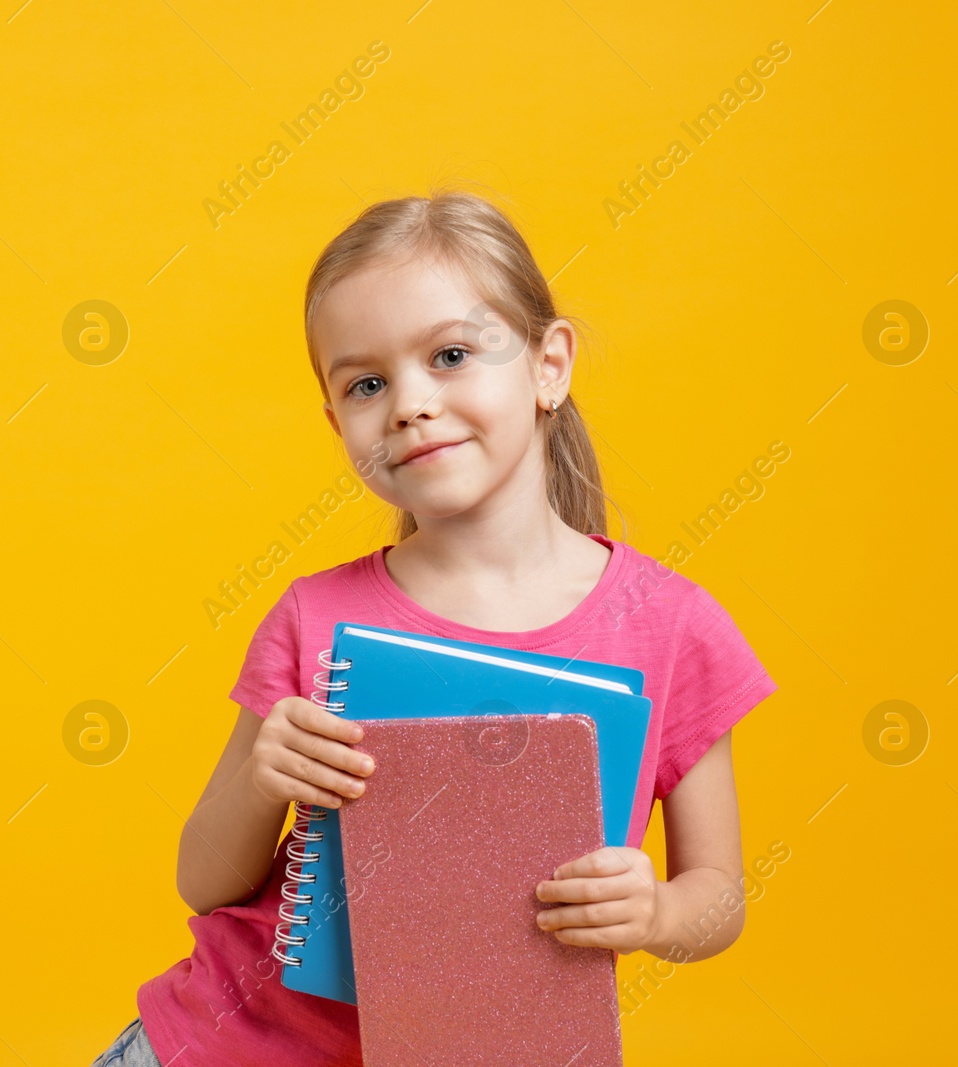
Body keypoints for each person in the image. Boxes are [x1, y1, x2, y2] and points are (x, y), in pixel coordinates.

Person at [91, 190, 778, 1066]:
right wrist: (265, 780)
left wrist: (655, 913)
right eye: (367, 383)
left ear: (549, 366)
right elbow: (204, 883)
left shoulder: (673, 626)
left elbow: (719, 899)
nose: (410, 403)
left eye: (451, 354)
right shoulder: (314, 615)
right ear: (339, 424)